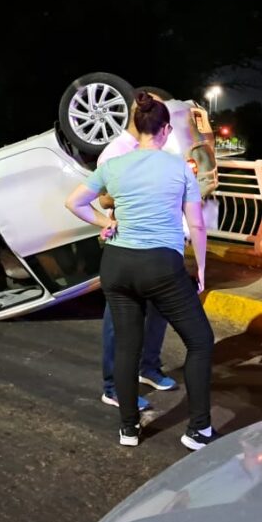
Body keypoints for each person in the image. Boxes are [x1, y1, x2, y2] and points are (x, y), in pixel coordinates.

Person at [65, 92, 215, 451]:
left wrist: (104, 222)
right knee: (200, 341)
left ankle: (129, 429)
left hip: (117, 264)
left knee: (126, 346)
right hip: (160, 264)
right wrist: (202, 270)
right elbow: (196, 224)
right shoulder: (179, 166)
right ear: (163, 130)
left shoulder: (114, 166)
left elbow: (74, 202)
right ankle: (199, 430)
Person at [95, 111, 176, 413]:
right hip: (126, 245)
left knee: (158, 309)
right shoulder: (115, 152)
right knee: (119, 320)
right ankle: (113, 387)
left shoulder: (158, 147)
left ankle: (149, 367)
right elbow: (102, 198)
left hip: (158, 244)